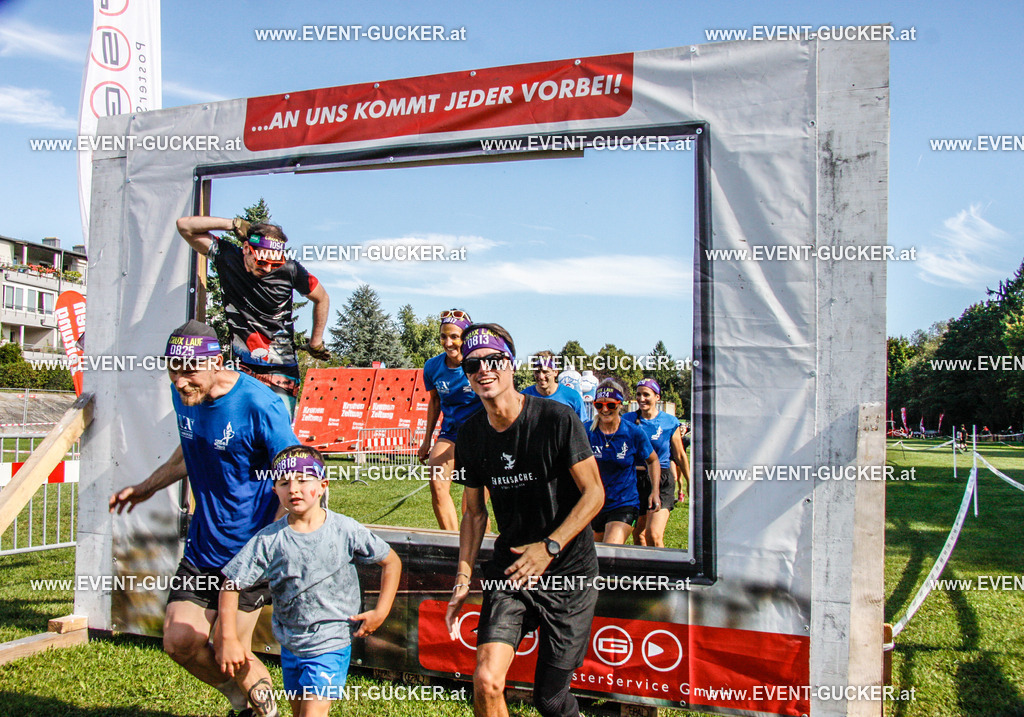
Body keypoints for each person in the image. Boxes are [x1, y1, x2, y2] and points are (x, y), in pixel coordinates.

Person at [109, 320, 299, 717]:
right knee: (179, 641)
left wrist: (273, 541)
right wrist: (146, 487)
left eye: (190, 370)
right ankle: (241, 702)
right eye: (173, 369)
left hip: (249, 552)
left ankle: (264, 711)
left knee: (234, 651)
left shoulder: (259, 404)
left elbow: (295, 472)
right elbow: (189, 447)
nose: (180, 381)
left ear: (216, 362)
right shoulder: (187, 394)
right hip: (203, 549)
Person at [445, 323, 604, 717]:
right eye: (472, 365)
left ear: (512, 364)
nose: (484, 370)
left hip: (568, 571)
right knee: (486, 680)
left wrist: (549, 547)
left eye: (493, 360)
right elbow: (474, 513)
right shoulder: (470, 435)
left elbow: (594, 493)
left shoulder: (557, 419)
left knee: (550, 700)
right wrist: (463, 577)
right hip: (513, 569)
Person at [216, 446, 401, 717]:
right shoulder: (268, 539)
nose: (293, 489)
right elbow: (231, 584)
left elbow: (391, 561)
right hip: (291, 645)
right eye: (284, 483)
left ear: (323, 485)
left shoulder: (345, 529)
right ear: (274, 491)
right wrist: (228, 637)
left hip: (331, 644)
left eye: (303, 480)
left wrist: (381, 611)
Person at [176, 214, 331, 417]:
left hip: (281, 371)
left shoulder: (291, 269)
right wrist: (233, 224)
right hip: (241, 369)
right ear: (247, 249)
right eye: (261, 262)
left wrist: (316, 342)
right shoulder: (228, 256)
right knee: (237, 429)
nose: (267, 269)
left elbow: (322, 298)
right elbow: (185, 226)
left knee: (276, 430)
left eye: (274, 263)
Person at [417, 309, 483, 530]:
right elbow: (434, 401)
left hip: (482, 435)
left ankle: (481, 545)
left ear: (465, 338)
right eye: (443, 336)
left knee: (472, 506)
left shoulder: (480, 363)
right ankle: (452, 542)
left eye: (454, 336)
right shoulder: (432, 366)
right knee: (437, 485)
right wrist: (427, 441)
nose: (448, 343)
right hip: (451, 434)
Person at [587, 378, 659, 545]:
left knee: (610, 548)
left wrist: (654, 491)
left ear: (620, 405)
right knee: (593, 553)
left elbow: (653, 460)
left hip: (623, 503)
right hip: (592, 503)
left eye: (611, 405)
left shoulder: (633, 432)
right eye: (599, 405)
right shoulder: (586, 431)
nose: (605, 409)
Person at [622, 379, 690, 547]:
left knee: (653, 534)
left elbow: (680, 455)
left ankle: (664, 564)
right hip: (636, 480)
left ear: (657, 397)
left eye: (646, 394)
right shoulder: (628, 419)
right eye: (638, 394)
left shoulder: (669, 422)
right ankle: (644, 565)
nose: (641, 398)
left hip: (662, 479)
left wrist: (690, 481)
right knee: (639, 536)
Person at [522, 350, 587, 421]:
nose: (541, 376)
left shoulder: (572, 396)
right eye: (537, 372)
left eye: (545, 372)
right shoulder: (524, 397)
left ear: (555, 372)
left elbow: (582, 425)